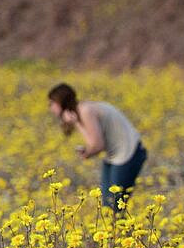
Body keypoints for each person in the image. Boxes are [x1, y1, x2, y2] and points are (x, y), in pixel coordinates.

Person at [48, 83, 148, 212]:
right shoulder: (82, 109)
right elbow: (94, 143)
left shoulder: (85, 110)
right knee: (108, 206)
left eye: (51, 103)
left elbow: (97, 145)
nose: (50, 108)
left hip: (129, 154)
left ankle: (121, 231)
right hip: (115, 155)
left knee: (114, 207)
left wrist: (77, 126)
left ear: (60, 101)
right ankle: (116, 231)